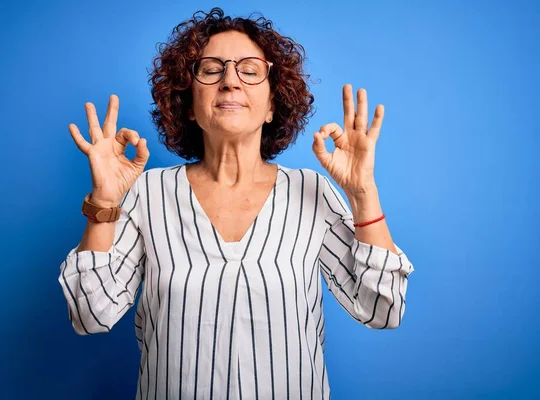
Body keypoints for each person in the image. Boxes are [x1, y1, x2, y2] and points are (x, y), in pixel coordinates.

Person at [58, 7, 415, 400]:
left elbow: (382, 309)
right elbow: (90, 314)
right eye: (211, 69)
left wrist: (363, 193)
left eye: (249, 70)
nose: (230, 81)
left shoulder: (311, 192)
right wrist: (105, 201)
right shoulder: (149, 193)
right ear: (189, 105)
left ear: (273, 105)